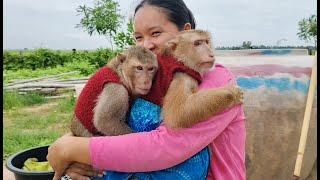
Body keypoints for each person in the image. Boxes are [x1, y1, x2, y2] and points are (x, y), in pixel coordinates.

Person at [47, 0, 246, 180]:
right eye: (138, 37)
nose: (146, 45)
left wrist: (73, 149)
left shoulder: (217, 79)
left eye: (156, 33)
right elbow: (112, 124)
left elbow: (166, 147)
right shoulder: (151, 77)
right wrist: (74, 152)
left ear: (184, 33)